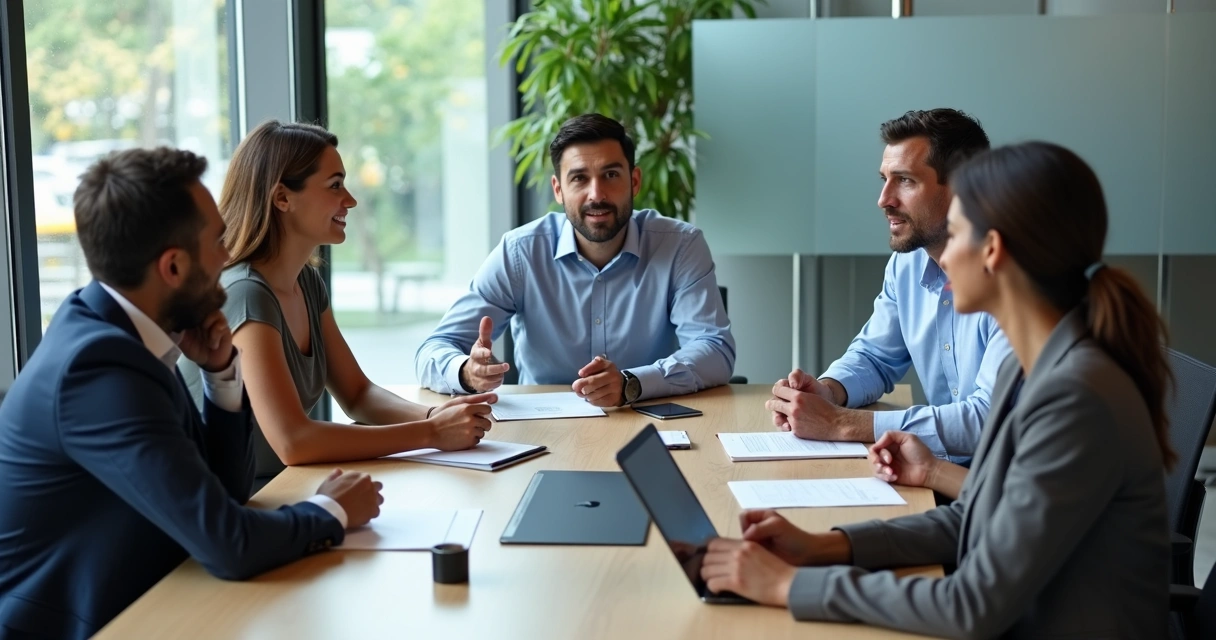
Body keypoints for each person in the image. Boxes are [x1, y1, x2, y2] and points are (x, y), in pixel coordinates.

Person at [702, 142, 1172, 638]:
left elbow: (972, 605)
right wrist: (826, 546)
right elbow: (981, 513)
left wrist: (787, 586)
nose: (943, 257)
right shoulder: (1034, 365)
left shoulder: (1075, 396)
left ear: (992, 251)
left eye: (957, 233)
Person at [0, 148, 384, 640]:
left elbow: (226, 495)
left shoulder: (117, 332)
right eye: (218, 241)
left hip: (153, 602)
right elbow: (229, 544)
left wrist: (221, 374)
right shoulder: (98, 369)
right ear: (174, 267)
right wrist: (331, 510)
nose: (228, 255)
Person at [179, 121, 495, 481]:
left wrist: (436, 417)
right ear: (282, 198)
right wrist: (432, 433)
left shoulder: (306, 282)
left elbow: (358, 394)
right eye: (335, 186)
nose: (351, 200)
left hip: (283, 488)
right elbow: (293, 441)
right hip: (237, 502)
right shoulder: (246, 294)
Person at [416, 113, 735, 407]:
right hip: (544, 430)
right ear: (558, 189)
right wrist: (466, 372)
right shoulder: (520, 252)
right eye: (579, 178)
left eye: (611, 174)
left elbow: (715, 349)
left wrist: (632, 383)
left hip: (644, 419)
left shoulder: (680, 245)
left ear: (634, 181)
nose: (596, 194)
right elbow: (433, 350)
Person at [768, 109, 1011, 465]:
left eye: (905, 181)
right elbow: (876, 356)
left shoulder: (1014, 276)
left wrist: (841, 423)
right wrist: (829, 391)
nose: (884, 199)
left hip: (1002, 483)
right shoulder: (906, 263)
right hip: (941, 471)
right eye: (884, 179)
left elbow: (987, 418)